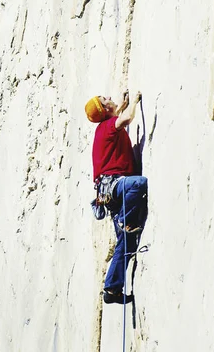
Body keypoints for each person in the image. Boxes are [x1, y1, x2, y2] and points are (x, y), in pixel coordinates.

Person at [85, 91, 148, 305]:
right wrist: (135, 103)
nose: (108, 97)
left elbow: (117, 117)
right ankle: (125, 220)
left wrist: (121, 104)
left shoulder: (103, 127)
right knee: (139, 183)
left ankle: (112, 289)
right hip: (115, 187)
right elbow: (126, 119)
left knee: (127, 240)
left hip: (108, 192)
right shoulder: (106, 127)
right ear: (105, 110)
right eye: (105, 100)